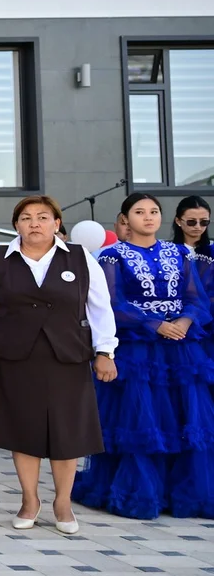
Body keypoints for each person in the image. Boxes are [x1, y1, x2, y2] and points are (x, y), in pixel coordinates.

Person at [0, 195, 117, 534]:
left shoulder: (80, 257)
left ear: (56, 223)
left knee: (67, 432)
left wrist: (105, 351)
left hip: (68, 355)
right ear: (16, 225)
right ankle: (29, 500)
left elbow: (100, 307)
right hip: (16, 357)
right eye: (26, 218)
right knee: (24, 430)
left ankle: (63, 503)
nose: (34, 223)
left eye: (43, 217)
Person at [73, 193, 214, 519]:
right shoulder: (112, 257)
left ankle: (183, 493)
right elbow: (112, 304)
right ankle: (142, 491)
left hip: (182, 349)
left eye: (153, 211)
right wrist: (155, 324)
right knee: (143, 420)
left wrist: (184, 321)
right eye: (139, 212)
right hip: (137, 347)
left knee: (185, 417)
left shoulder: (180, 253)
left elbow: (196, 297)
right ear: (125, 219)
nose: (148, 217)